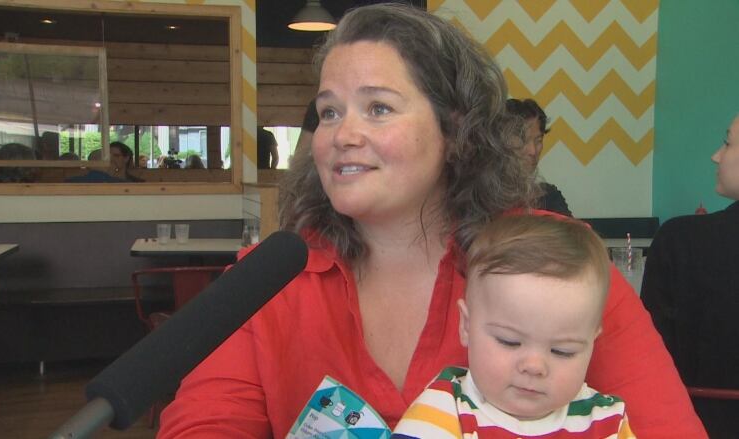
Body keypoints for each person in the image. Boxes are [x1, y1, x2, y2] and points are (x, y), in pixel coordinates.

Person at [158, 4, 704, 438]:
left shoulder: (557, 261)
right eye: (329, 111)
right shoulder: (267, 282)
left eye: (378, 108)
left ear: (455, 127)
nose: (341, 135)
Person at [392, 214, 634, 438]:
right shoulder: (443, 410)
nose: (534, 366)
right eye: (509, 341)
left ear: (592, 342)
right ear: (466, 326)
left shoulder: (606, 421)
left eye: (562, 351)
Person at [640, 114, 739, 438]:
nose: (716, 155)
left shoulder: (680, 240)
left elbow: (650, 357)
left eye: (727, 142)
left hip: (693, 423)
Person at [506, 98, 572, 216]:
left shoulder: (548, 197)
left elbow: (573, 234)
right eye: (524, 140)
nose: (533, 150)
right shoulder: (480, 199)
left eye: (538, 140)